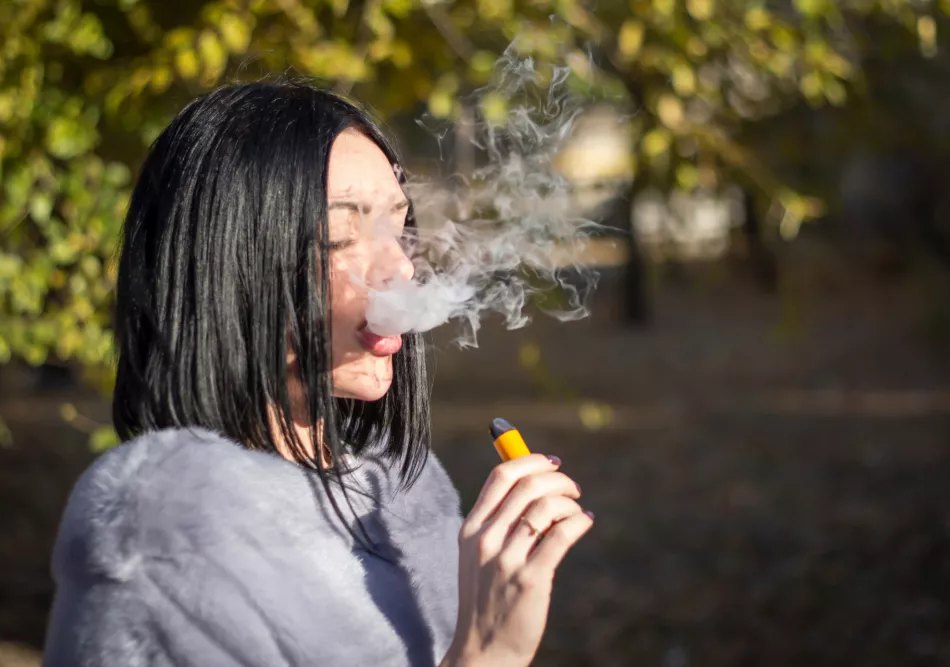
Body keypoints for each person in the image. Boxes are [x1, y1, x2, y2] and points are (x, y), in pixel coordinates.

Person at [43, 80, 594, 667]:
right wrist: (487, 654)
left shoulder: (405, 497)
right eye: (341, 235)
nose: (401, 267)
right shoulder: (163, 549)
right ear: (230, 267)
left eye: (398, 225)